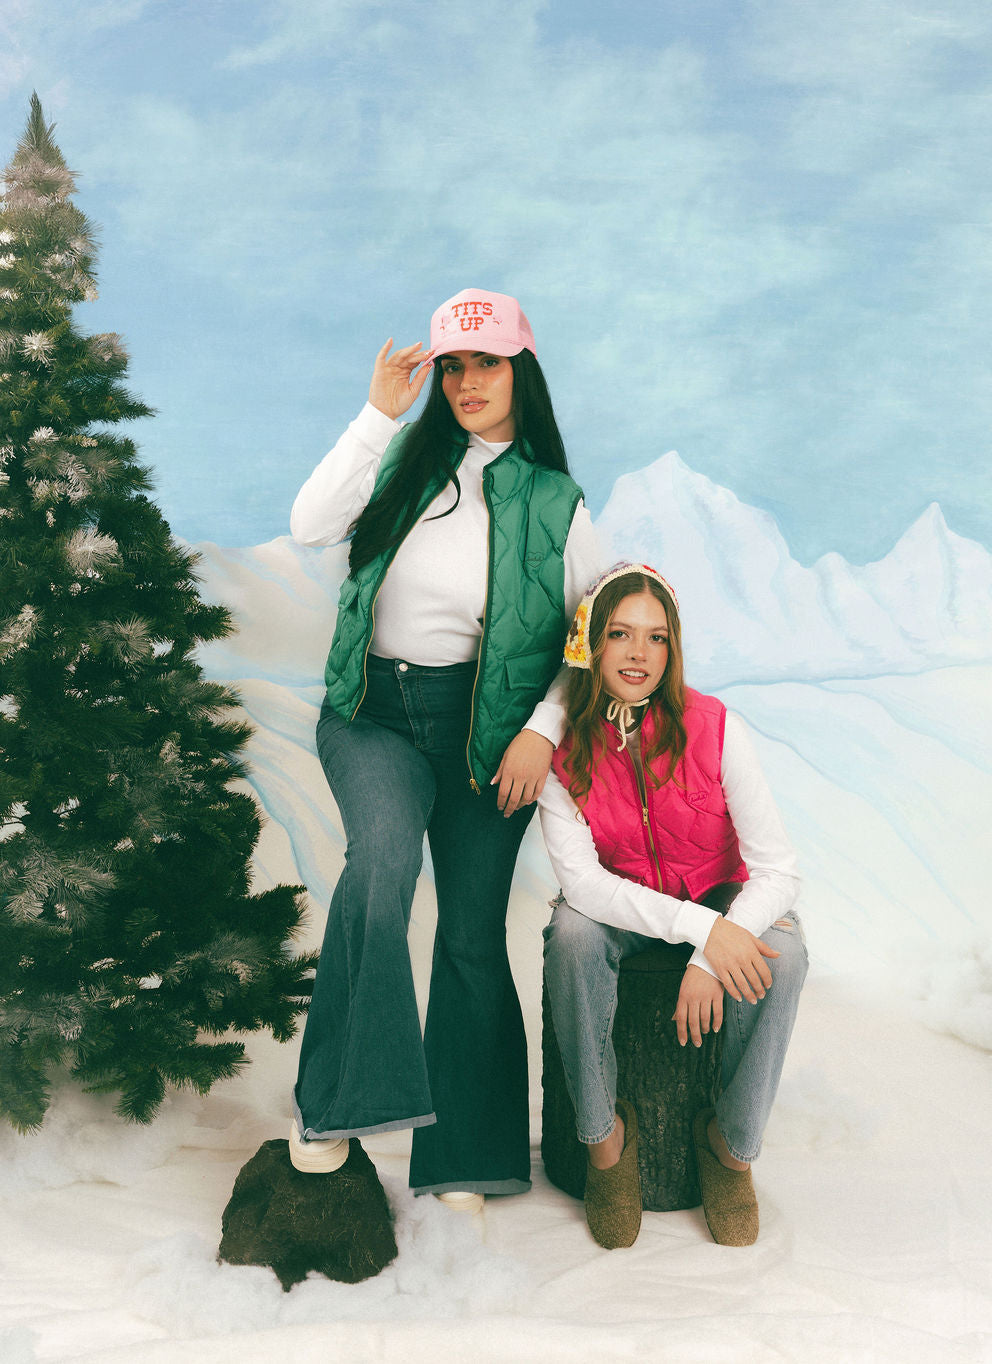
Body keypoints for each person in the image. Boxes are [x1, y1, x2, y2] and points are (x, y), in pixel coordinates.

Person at [287, 288, 603, 1212]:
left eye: (487, 364)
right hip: (374, 716)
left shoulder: (555, 500)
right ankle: (335, 1107)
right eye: (454, 366)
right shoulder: (401, 460)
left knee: (470, 933)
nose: (468, 382)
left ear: (520, 371)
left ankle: (468, 1158)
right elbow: (309, 524)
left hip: (487, 737)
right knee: (380, 865)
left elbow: (586, 635)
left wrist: (542, 732)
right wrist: (376, 415)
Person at [538, 562, 807, 1248]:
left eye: (656, 637)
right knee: (571, 934)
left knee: (785, 952)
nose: (639, 654)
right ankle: (604, 1143)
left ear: (673, 648)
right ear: (591, 643)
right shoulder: (561, 750)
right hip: (622, 914)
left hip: (717, 891)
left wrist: (713, 955)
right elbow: (584, 886)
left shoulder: (715, 727)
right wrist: (702, 932)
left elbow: (778, 871)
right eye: (620, 634)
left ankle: (730, 1149)